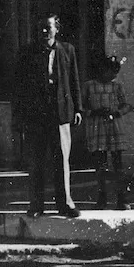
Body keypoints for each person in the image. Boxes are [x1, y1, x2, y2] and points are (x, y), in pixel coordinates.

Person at [12, 14, 83, 218]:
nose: (44, 32)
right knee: (35, 162)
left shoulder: (67, 50)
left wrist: (77, 108)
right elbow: (18, 87)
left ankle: (66, 204)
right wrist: (18, 116)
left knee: (62, 160)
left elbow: (74, 81)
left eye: (48, 28)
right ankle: (36, 205)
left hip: (60, 114)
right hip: (35, 115)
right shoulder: (26, 53)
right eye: (40, 29)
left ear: (57, 29)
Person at [82, 55, 132, 210]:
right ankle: (101, 197)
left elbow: (125, 106)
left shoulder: (117, 86)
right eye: (110, 71)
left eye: (115, 73)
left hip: (114, 127)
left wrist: (116, 112)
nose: (113, 75)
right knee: (100, 164)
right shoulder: (89, 86)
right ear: (102, 70)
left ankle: (121, 198)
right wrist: (95, 112)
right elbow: (82, 108)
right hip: (97, 128)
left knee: (118, 164)